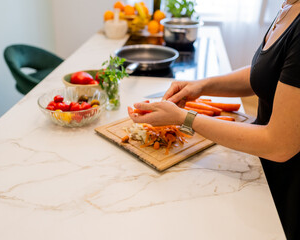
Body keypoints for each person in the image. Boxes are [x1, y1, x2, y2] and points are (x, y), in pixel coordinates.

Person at [128, 1, 300, 239]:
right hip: (265, 168)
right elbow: (265, 74)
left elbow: (279, 144)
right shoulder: (288, 6)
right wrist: (202, 85)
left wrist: (183, 118)